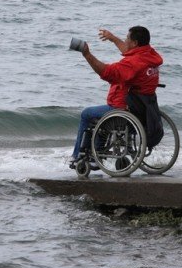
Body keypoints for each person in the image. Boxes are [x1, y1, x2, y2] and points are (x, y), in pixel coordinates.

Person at [69, 26, 163, 167]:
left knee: (87, 114)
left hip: (125, 109)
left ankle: (78, 156)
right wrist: (112, 38)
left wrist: (87, 54)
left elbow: (106, 72)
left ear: (135, 43)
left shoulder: (133, 63)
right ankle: (96, 151)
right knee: (100, 115)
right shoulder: (149, 55)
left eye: (127, 38)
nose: (125, 41)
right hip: (143, 110)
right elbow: (131, 53)